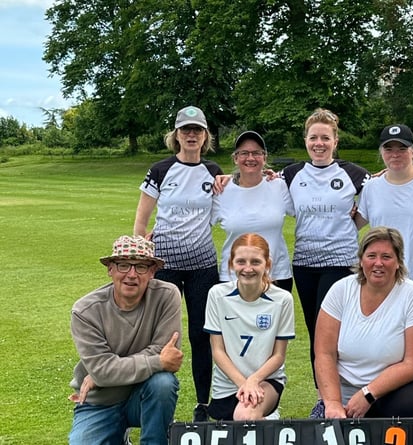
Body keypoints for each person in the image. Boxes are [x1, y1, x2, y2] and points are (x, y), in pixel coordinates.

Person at [133, 105, 223, 421]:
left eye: (197, 130)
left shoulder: (213, 171)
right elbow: (142, 219)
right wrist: (141, 257)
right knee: (161, 336)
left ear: (205, 135)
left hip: (202, 266)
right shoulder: (160, 169)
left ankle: (202, 404)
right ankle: (154, 405)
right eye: (186, 130)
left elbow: (232, 199)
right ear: (176, 135)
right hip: (165, 264)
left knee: (202, 335)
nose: (191, 135)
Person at [280, 108, 371, 418]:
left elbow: (377, 198)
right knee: (316, 331)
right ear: (306, 140)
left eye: (325, 138)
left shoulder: (354, 173)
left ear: (336, 141)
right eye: (313, 137)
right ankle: (326, 398)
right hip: (304, 264)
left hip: (341, 263)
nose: (319, 143)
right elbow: (262, 190)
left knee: (330, 332)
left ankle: (343, 396)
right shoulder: (292, 174)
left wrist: (353, 224)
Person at [314, 226, 413, 419]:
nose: (378, 263)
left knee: (411, 406)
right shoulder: (340, 291)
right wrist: (333, 404)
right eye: (371, 256)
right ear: (361, 259)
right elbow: (324, 353)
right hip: (347, 387)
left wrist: (368, 394)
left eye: (386, 257)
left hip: (398, 387)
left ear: (398, 262)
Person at [68, 235, 183, 445]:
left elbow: (167, 351)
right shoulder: (84, 311)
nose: (131, 274)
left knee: (163, 384)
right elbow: (104, 370)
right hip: (100, 402)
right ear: (110, 269)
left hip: (142, 394)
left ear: (152, 272)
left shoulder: (167, 295)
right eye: (123, 265)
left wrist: (106, 372)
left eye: (140, 266)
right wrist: (156, 362)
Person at [204, 233, 295, 421]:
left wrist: (254, 381)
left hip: (265, 381)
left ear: (267, 264)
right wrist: (244, 384)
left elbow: (278, 356)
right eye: (241, 262)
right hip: (228, 384)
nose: (248, 268)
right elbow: (218, 351)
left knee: (245, 416)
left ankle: (265, 412)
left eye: (255, 262)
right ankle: (269, 423)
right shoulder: (217, 295)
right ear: (231, 264)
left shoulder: (282, 299)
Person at [355, 123, 413, 304]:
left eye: (402, 148)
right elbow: (353, 225)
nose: (395, 154)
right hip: (384, 276)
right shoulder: (372, 187)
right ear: (381, 152)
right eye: (388, 149)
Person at [212, 131, 295, 292]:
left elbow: (306, 211)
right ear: (235, 158)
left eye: (256, 153)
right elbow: (199, 221)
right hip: (233, 278)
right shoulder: (221, 191)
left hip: (276, 276)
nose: (250, 158)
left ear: (264, 158)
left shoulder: (278, 186)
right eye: (244, 153)